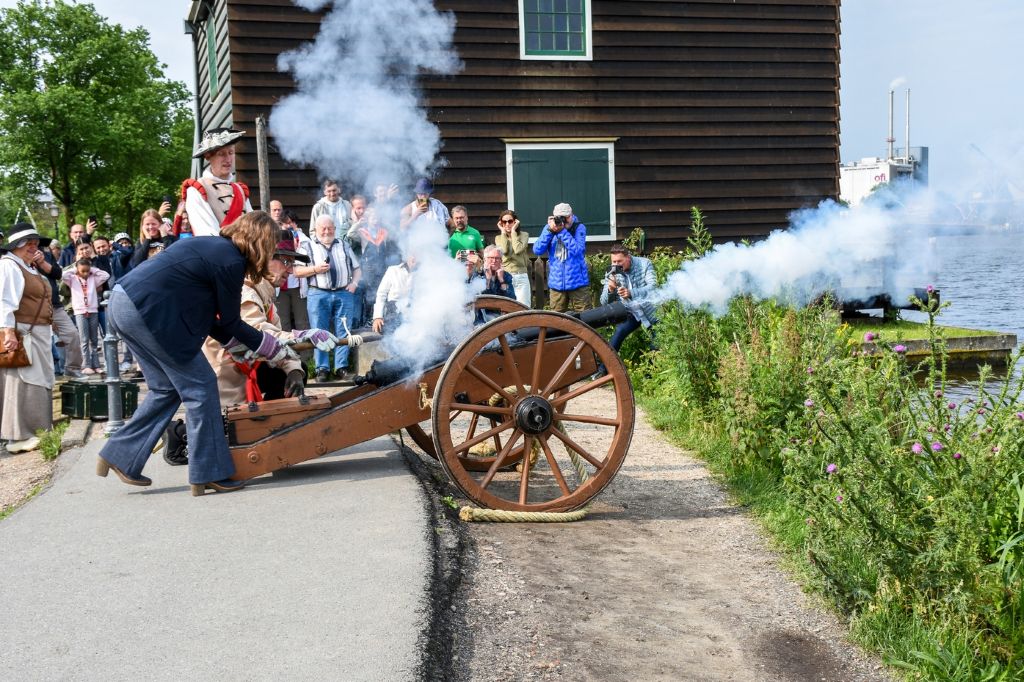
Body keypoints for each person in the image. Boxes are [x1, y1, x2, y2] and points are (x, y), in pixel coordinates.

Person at [96, 211, 296, 495]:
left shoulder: (212, 247)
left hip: (124, 304)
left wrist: (242, 347)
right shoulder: (231, 261)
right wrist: (271, 348)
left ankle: (120, 454)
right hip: (150, 312)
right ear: (260, 241)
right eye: (271, 245)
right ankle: (209, 473)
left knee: (166, 389)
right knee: (201, 387)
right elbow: (231, 323)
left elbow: (216, 322)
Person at [202, 236, 338, 405]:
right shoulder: (245, 292)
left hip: (245, 366)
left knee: (295, 370)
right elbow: (259, 336)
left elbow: (277, 343)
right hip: (227, 375)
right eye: (286, 262)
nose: (290, 271)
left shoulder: (265, 295)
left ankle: (274, 417)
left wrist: (294, 370)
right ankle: (263, 419)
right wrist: (301, 335)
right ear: (264, 259)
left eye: (292, 264)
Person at [0, 224, 56, 453]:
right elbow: (4, 301)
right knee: (23, 380)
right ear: (15, 246)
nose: (34, 247)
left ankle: (37, 429)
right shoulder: (9, 265)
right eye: (28, 243)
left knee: (38, 378)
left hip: (36, 333)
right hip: (22, 332)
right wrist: (8, 332)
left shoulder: (27, 266)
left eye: (36, 243)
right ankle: (18, 436)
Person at [294, 215, 361, 382]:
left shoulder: (344, 245)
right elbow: (297, 271)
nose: (326, 231)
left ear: (335, 229)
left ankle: (341, 368)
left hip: (343, 293)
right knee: (319, 331)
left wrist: (354, 284)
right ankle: (322, 369)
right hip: (318, 293)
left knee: (344, 330)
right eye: (323, 228)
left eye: (330, 228)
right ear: (315, 230)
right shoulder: (306, 247)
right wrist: (315, 269)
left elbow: (357, 268)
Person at [597, 244, 658, 377]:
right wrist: (610, 290)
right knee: (618, 333)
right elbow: (603, 302)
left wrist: (631, 292)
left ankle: (650, 375)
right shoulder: (611, 272)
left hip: (650, 309)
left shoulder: (644, 264)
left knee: (656, 340)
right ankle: (602, 370)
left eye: (619, 261)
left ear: (628, 257)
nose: (616, 265)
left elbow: (653, 287)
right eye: (613, 262)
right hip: (631, 312)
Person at [182, 127, 252, 237]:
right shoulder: (196, 190)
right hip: (215, 247)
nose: (228, 159)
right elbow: (206, 232)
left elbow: (253, 226)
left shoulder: (240, 190)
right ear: (208, 156)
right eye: (221, 154)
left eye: (231, 152)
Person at [532, 202, 590, 312]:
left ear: (571, 215)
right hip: (557, 284)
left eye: (566, 217)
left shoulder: (579, 227)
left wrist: (562, 232)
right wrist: (549, 231)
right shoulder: (549, 228)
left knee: (585, 316)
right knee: (557, 318)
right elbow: (537, 250)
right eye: (560, 217)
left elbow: (579, 251)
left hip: (578, 283)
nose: (563, 220)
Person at [348, 207, 398, 323]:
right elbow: (350, 235)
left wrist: (386, 222)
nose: (375, 220)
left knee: (380, 292)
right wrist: (358, 223)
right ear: (368, 219)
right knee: (368, 295)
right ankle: (366, 320)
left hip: (381, 266)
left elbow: (396, 234)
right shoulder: (362, 232)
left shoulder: (383, 232)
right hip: (367, 267)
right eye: (373, 217)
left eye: (377, 217)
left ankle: (377, 317)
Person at [62, 257, 110, 375]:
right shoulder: (72, 279)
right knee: (84, 340)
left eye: (87, 271)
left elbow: (106, 275)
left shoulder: (93, 278)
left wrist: (92, 269)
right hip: (80, 312)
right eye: (82, 271)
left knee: (94, 340)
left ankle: (96, 365)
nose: (85, 273)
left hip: (93, 311)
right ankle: (86, 365)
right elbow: (63, 275)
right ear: (77, 270)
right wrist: (75, 269)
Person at [493, 209, 531, 307]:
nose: (507, 224)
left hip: (520, 276)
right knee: (507, 308)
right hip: (505, 276)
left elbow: (517, 249)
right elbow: (504, 250)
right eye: (504, 222)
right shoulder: (498, 238)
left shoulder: (524, 235)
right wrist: (503, 232)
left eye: (510, 221)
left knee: (524, 307)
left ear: (515, 222)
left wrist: (513, 231)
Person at [372, 255, 417, 334]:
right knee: (388, 330)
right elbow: (381, 294)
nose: (414, 258)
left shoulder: (423, 273)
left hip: (414, 310)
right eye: (412, 255)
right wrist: (378, 317)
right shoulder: (393, 270)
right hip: (393, 309)